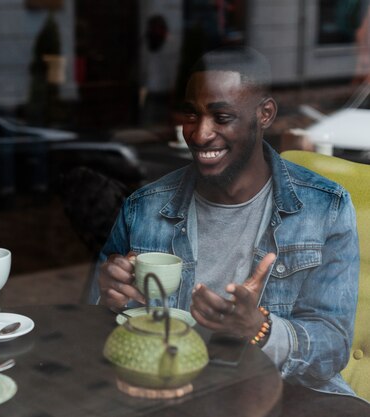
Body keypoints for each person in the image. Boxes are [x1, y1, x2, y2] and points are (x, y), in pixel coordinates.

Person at [89, 46, 360, 395]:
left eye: (221, 117)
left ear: (264, 114)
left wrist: (259, 328)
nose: (200, 134)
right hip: (168, 387)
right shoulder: (143, 207)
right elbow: (95, 323)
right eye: (191, 115)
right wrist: (108, 296)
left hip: (284, 392)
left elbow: (331, 347)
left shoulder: (325, 207)